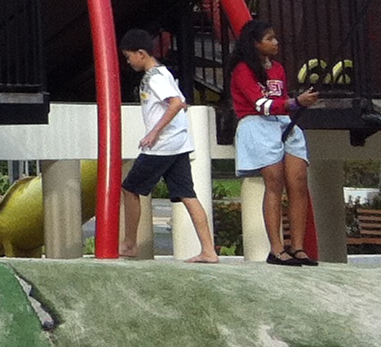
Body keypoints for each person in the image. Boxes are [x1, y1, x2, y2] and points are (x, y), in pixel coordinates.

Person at [119, 29, 216, 262]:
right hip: (178, 144)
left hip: (163, 146)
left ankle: (129, 243)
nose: (128, 61)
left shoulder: (155, 77)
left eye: (129, 56)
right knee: (187, 194)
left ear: (141, 54)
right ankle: (209, 250)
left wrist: (154, 132)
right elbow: (180, 102)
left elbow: (174, 103)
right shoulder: (164, 74)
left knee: (130, 188)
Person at [230, 18, 320, 264]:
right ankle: (277, 249)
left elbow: (279, 100)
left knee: (298, 182)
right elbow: (261, 104)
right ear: (255, 43)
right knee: (275, 183)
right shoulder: (243, 71)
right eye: (269, 38)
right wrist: (295, 102)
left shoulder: (277, 68)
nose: (275, 42)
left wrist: (294, 103)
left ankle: (298, 247)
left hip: (283, 123)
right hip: (257, 124)